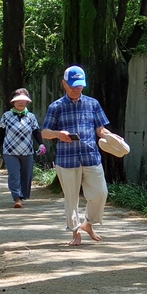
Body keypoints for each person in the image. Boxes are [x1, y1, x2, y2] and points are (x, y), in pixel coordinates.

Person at [40, 65, 116, 246]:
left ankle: (88, 223)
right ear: (64, 84)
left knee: (100, 193)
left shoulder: (93, 103)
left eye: (80, 85)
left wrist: (111, 137)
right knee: (71, 198)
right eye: (73, 85)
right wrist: (58, 134)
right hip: (67, 160)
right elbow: (44, 132)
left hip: (91, 156)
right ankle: (75, 232)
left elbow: (100, 128)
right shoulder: (56, 106)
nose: (76, 89)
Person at [0, 89, 46, 209]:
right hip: (10, 151)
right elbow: (1, 133)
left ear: (27, 102)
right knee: (14, 174)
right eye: (18, 101)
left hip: (27, 151)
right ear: (13, 102)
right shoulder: (6, 116)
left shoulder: (31, 117)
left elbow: (36, 132)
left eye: (23, 100)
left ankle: (23, 196)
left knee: (26, 175)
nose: (21, 103)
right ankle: (17, 197)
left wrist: (41, 144)